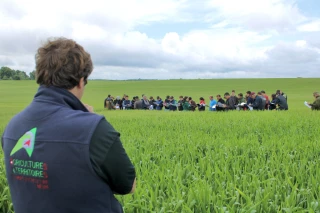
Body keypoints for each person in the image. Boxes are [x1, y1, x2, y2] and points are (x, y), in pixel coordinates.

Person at [1, 38, 136, 213]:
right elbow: (128, 185)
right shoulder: (93, 128)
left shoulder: (12, 127)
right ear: (81, 81)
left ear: (41, 76)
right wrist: (88, 119)